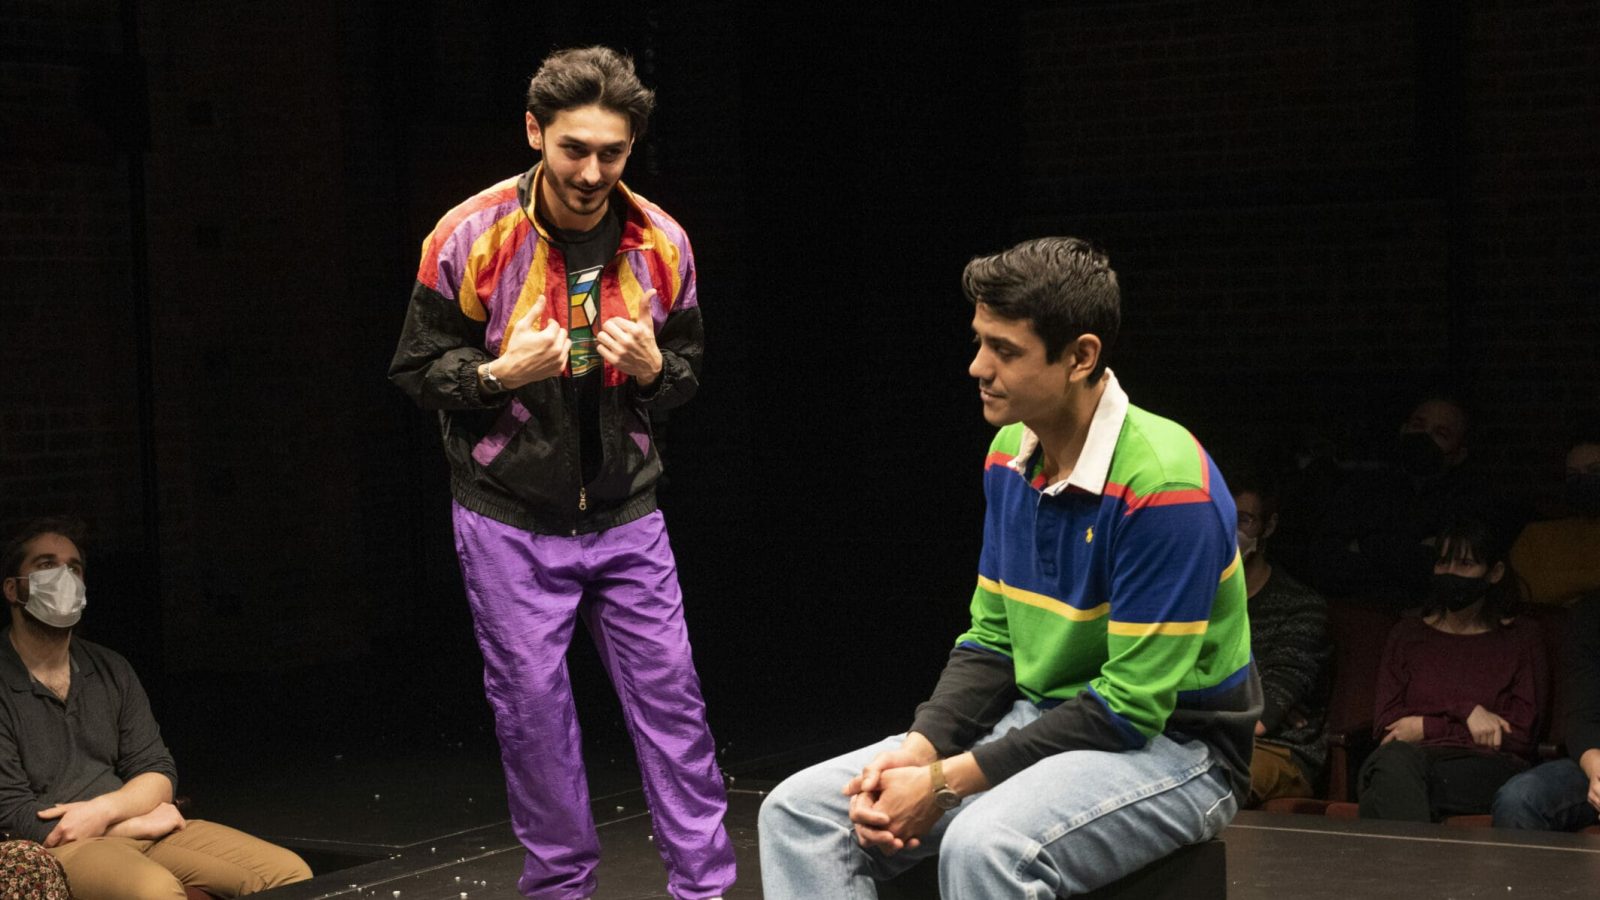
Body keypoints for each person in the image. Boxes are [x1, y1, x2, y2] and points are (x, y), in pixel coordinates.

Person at [758, 237, 1259, 898]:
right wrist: (920, 747)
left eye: (1005, 350)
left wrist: (942, 783)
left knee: (988, 845)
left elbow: (1131, 710)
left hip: (1178, 749)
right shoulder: (1007, 456)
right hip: (1044, 716)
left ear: (1080, 356)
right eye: (979, 341)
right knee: (799, 814)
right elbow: (992, 642)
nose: (977, 367)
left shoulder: (1165, 486)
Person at [387, 46, 732, 900]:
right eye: (573, 148)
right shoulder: (469, 234)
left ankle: (706, 891)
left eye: (610, 153)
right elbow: (415, 368)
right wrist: (501, 374)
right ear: (535, 131)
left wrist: (654, 368)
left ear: (631, 149)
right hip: (508, 517)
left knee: (674, 712)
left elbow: (686, 373)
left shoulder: (661, 241)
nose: (589, 172)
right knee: (535, 724)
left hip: (625, 514)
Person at [0, 518, 312, 899]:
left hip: (135, 827)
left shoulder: (110, 668)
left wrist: (105, 810)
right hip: (62, 848)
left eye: (74, 568)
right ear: (14, 589)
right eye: (46, 565)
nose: (64, 577)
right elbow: (14, 815)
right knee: (156, 892)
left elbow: (158, 771)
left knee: (291, 874)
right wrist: (132, 825)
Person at [1357, 514, 1548, 822]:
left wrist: (1425, 726)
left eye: (1465, 565)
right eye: (1443, 563)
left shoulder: (1521, 638)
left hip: (1483, 768)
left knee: (1382, 790)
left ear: (1494, 572)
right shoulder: (1408, 634)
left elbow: (1521, 736)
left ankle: (1403, 866)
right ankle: (1418, 866)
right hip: (1406, 761)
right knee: (1393, 762)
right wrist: (1467, 712)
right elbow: (1389, 727)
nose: (1450, 573)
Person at [1304, 396, 1506, 606]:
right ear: (1403, 430)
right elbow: (1324, 562)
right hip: (1359, 611)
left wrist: (1367, 544)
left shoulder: (1470, 501)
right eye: (1418, 425)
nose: (1424, 438)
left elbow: (1450, 575)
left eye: (1441, 434)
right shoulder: (1363, 488)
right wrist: (1411, 552)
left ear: (1459, 454)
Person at [1230, 469, 1331, 805]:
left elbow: (1264, 715)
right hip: (1207, 740)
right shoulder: (1193, 597)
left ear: (1268, 527)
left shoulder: (1301, 607)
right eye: (1221, 516)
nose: (1229, 530)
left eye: (1243, 519)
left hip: (1280, 751)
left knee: (1212, 778)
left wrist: (1264, 705)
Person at [1491, 594, 1600, 831]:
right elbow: (1582, 716)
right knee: (1519, 799)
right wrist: (1596, 769)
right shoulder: (1592, 614)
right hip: (1596, 758)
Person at [1509, 437, 1600, 605]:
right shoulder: (1537, 536)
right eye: (1573, 474)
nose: (1583, 480)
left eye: (1595, 471)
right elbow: (1518, 590)